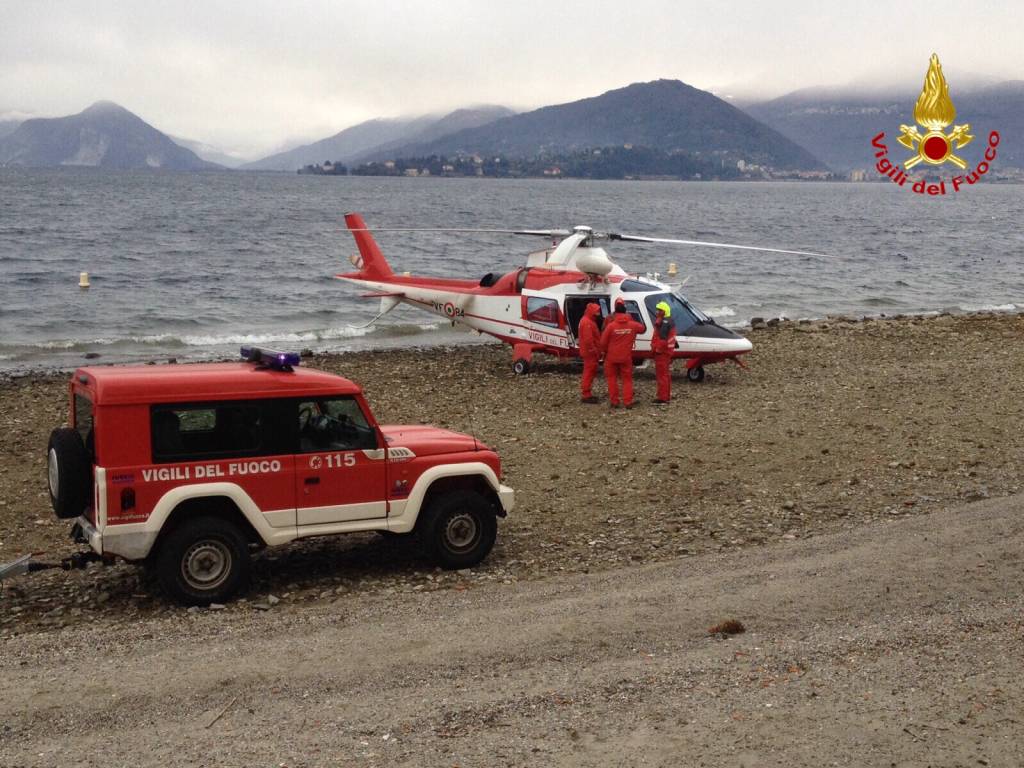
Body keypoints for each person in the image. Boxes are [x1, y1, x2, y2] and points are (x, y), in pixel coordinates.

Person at [600, 298, 644, 408]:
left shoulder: (611, 325)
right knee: (627, 380)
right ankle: (628, 402)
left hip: (611, 357)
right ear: (625, 310)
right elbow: (642, 328)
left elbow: (603, 342)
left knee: (612, 379)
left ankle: (614, 402)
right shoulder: (632, 324)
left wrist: (604, 353)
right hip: (625, 357)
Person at [651, 300, 677, 404]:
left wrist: (657, 350)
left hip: (662, 353)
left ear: (663, 311)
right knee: (665, 375)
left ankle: (662, 398)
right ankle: (666, 396)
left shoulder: (664, 323)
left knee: (662, 375)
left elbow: (662, 340)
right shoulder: (669, 321)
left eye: (659, 310)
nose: (657, 312)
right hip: (667, 352)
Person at [578, 302, 603, 403]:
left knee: (589, 372)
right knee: (589, 372)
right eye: (596, 311)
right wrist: (596, 352)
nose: (598, 314)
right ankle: (586, 394)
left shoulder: (587, 320)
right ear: (591, 312)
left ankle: (587, 392)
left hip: (589, 352)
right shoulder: (587, 322)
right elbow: (589, 341)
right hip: (590, 353)